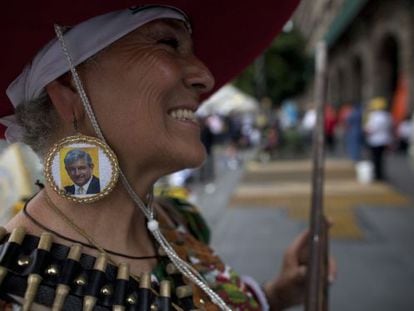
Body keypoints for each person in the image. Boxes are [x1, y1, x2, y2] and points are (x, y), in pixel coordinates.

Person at [0, 2, 335, 310]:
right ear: (71, 89)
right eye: (168, 43)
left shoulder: (176, 221)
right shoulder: (12, 286)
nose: (205, 77)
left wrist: (276, 295)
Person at [364, 97, 393, 180]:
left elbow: (370, 129)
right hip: (385, 140)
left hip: (375, 141)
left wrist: (366, 131)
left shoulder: (374, 116)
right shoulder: (388, 116)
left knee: (375, 159)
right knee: (381, 159)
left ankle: (377, 175)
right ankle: (380, 174)